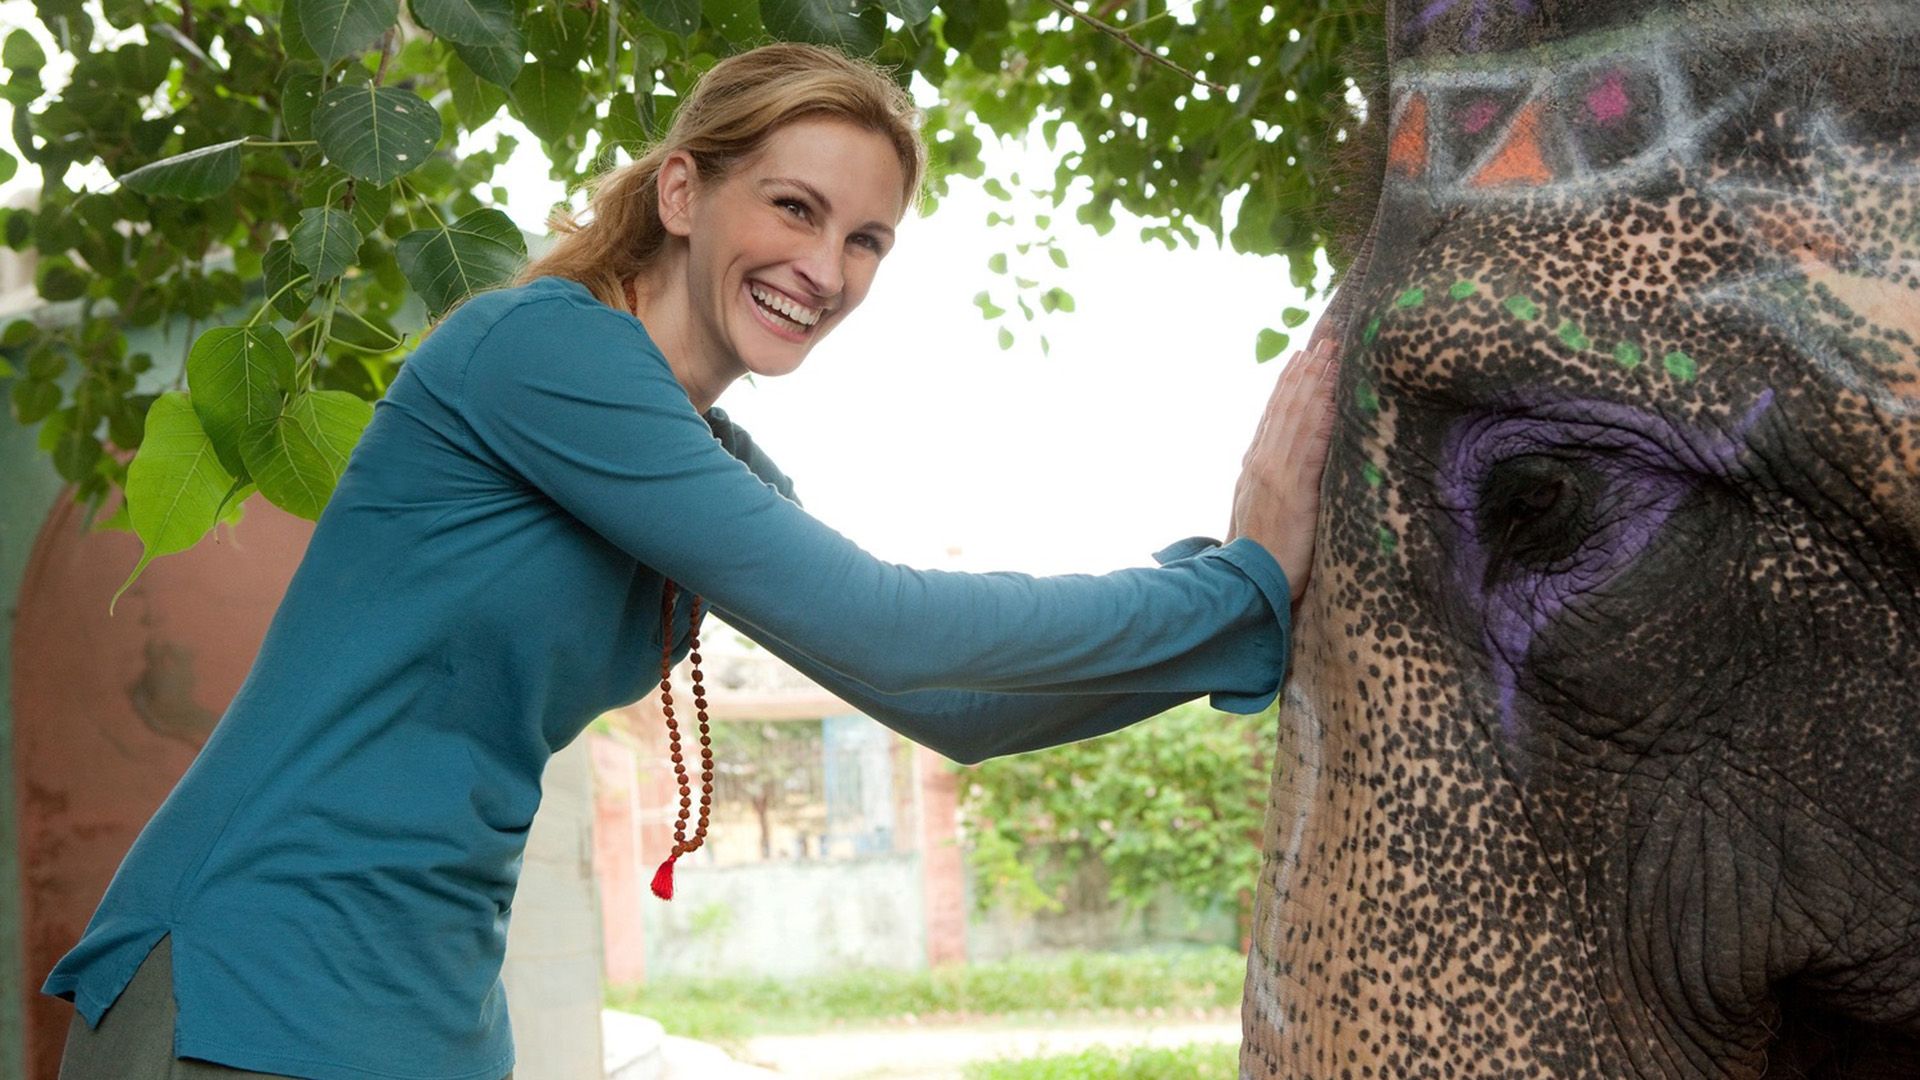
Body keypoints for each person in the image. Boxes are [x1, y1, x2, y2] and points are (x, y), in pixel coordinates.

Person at [44, 42, 1338, 1080]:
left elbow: (955, 702)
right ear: (680, 193)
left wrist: (1255, 606)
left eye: (867, 240)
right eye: (794, 207)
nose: (823, 269)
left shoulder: (704, 465)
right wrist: (1235, 587)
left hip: (428, 1006)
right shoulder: (540, 353)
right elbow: (901, 631)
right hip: (251, 973)